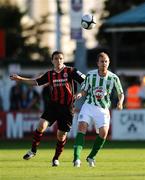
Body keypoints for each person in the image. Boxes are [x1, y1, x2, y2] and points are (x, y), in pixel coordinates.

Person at [10, 50, 85, 166]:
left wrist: (81, 93)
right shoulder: (49, 74)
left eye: (60, 58)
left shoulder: (71, 71)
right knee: (41, 125)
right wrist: (20, 79)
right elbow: (36, 82)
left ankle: (55, 158)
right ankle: (33, 150)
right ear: (52, 61)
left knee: (61, 135)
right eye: (56, 58)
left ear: (63, 60)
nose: (58, 60)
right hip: (53, 106)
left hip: (67, 108)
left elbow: (85, 81)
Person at [73, 52, 124, 167]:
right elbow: (84, 90)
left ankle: (91, 156)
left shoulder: (113, 78)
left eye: (106, 61)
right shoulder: (90, 75)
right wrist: (80, 94)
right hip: (89, 106)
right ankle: (76, 159)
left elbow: (121, 93)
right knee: (82, 127)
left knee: (104, 133)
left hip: (103, 108)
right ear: (97, 63)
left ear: (109, 62)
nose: (104, 63)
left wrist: (120, 102)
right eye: (102, 61)